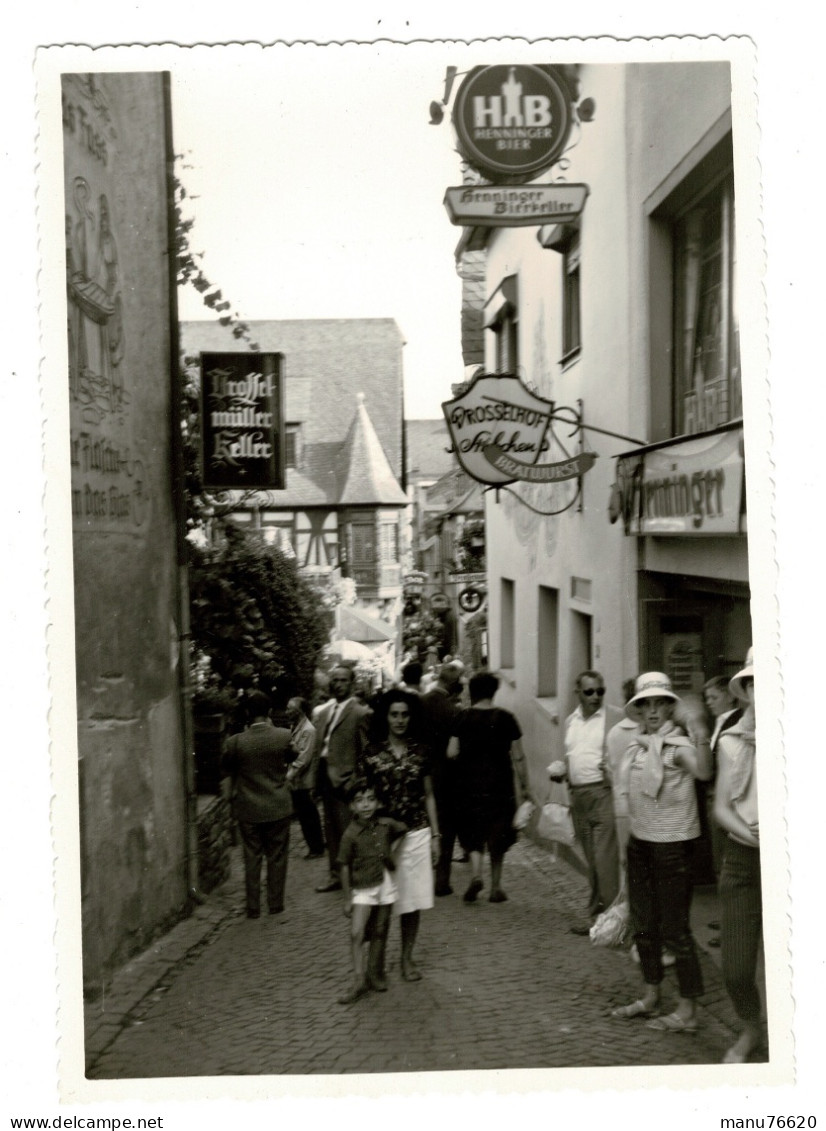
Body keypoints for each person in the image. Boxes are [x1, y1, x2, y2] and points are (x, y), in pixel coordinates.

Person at [611, 672, 712, 1032]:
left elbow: (703, 772)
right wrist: (627, 846)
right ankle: (651, 995)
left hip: (672, 848)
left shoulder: (680, 745)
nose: (652, 710)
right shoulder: (637, 747)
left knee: (675, 930)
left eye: (659, 703)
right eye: (645, 704)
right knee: (644, 926)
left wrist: (697, 730)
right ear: (637, 710)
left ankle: (688, 1010)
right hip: (641, 844)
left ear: (670, 707)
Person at [362, 689, 440, 982]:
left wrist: (436, 835)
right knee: (379, 899)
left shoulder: (422, 751)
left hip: (417, 832)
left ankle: (407, 958)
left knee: (412, 901)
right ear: (386, 716)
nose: (399, 720)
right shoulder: (371, 753)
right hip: (382, 835)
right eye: (394, 714)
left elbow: (429, 795)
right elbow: (362, 797)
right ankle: (376, 964)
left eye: (405, 714)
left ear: (412, 717)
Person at [714, 649, 764, 1063]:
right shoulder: (730, 741)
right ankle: (752, 1028)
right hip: (743, 860)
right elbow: (720, 807)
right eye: (755, 683)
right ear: (746, 689)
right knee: (735, 970)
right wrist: (749, 831)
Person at [447, 669, 534, 904]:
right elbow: (518, 757)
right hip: (500, 785)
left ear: (472, 692)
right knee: (498, 834)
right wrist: (525, 787)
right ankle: (496, 887)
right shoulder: (506, 718)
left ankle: (476, 875)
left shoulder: (462, 717)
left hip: (468, 785)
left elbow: (451, 752)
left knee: (472, 832)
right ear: (493, 692)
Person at [548, 670, 624, 934]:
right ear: (577, 693)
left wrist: (613, 766)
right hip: (578, 795)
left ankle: (614, 922)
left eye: (600, 691)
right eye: (589, 691)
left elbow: (628, 750)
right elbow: (573, 754)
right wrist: (563, 769)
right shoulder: (571, 721)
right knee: (592, 861)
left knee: (605, 861)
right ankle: (597, 917)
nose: (595, 697)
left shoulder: (615, 717)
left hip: (603, 794)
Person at [221, 690, 294, 918]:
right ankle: (275, 903)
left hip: (249, 808)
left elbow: (227, 771)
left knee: (251, 857)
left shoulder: (235, 743)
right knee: (277, 856)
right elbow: (293, 758)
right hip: (278, 805)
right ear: (270, 712)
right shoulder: (284, 736)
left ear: (246, 713)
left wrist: (230, 800)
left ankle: (253, 907)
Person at [335, 780, 408, 1004]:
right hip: (362, 888)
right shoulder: (350, 834)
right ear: (352, 807)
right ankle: (358, 980)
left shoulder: (386, 825)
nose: (365, 805)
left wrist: (392, 855)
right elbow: (344, 864)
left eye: (370, 799)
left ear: (377, 803)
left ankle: (374, 974)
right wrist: (348, 898)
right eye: (359, 801)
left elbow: (403, 830)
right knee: (357, 932)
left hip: (384, 883)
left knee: (380, 929)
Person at [312, 665, 372, 893]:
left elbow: (366, 751)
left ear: (352, 683)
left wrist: (356, 780)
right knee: (331, 829)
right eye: (335, 680)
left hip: (347, 780)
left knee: (350, 829)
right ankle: (335, 875)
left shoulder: (360, 712)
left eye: (343, 680)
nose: (338, 684)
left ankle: (357, 874)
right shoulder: (326, 711)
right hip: (326, 776)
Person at [420, 660, 465, 896]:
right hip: (446, 775)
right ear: (455, 685)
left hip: (420, 771)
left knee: (422, 825)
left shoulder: (419, 703)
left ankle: (421, 875)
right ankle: (442, 880)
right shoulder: (454, 711)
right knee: (446, 827)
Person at [704, 675, 745, 879]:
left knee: (727, 854)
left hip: (728, 795)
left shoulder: (736, 721)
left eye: (713, 697)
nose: (708, 702)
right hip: (717, 795)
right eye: (707, 698)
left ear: (730, 696)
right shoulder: (719, 722)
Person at [285, 697, 325, 860]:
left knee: (308, 815)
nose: (287, 712)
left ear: (299, 711)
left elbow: (303, 759)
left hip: (304, 781)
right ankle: (316, 846)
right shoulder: (296, 726)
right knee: (306, 815)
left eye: (290, 709)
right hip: (299, 781)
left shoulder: (308, 730)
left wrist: (289, 775)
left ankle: (316, 847)